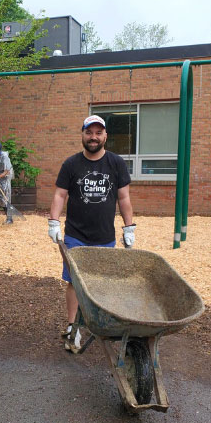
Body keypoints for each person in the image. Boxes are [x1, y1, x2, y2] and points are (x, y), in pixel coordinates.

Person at [49, 115, 135, 353]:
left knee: (103, 283)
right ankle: (72, 328)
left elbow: (124, 198)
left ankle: (102, 324)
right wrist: (54, 222)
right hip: (75, 236)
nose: (94, 137)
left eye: (98, 133)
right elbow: (59, 195)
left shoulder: (116, 163)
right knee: (74, 282)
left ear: (105, 136)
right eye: (89, 132)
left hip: (105, 237)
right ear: (83, 135)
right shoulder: (71, 164)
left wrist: (129, 227)